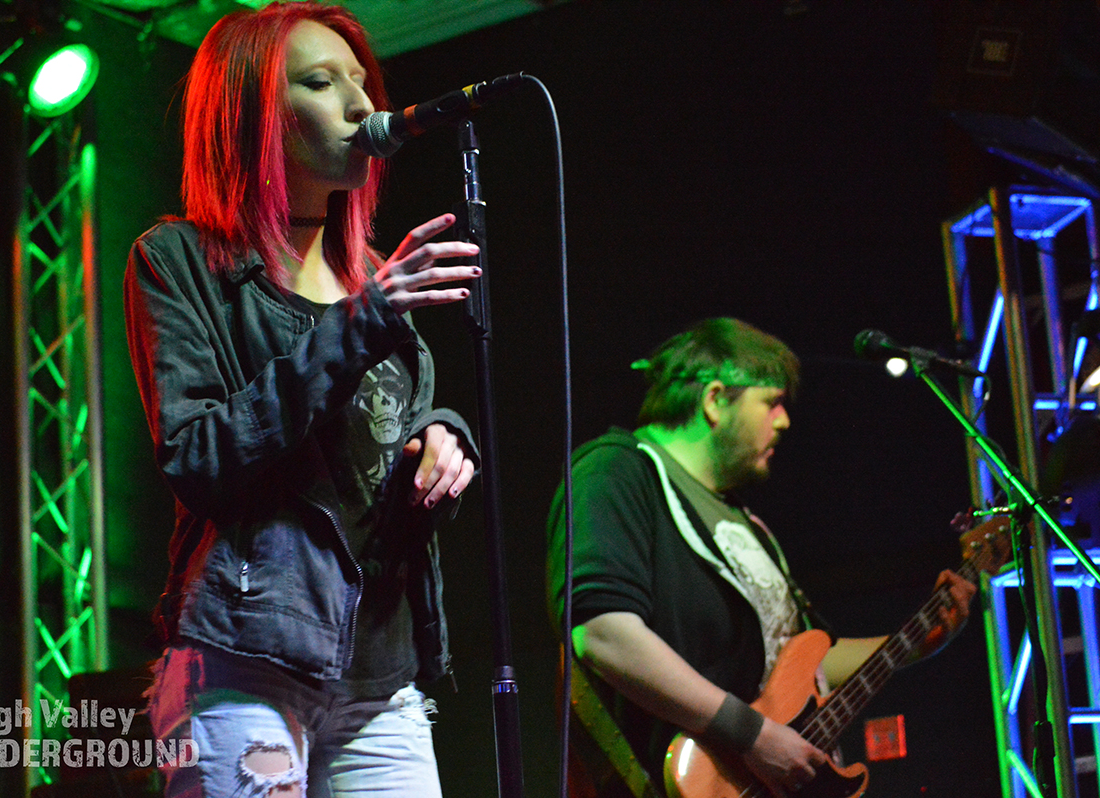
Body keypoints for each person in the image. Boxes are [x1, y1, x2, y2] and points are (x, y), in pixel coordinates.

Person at [123, 3, 480, 796]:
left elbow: (388, 429)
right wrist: (362, 322)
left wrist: (442, 438)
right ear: (252, 116)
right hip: (244, 657)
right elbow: (199, 456)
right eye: (322, 83)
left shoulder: (374, 276)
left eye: (362, 81)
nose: (362, 105)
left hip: (381, 674)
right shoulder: (180, 262)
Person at [546, 318, 975, 798]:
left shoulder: (749, 525)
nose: (784, 420)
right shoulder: (616, 472)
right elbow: (603, 632)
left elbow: (802, 660)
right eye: (771, 402)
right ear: (715, 400)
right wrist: (752, 734)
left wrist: (915, 642)